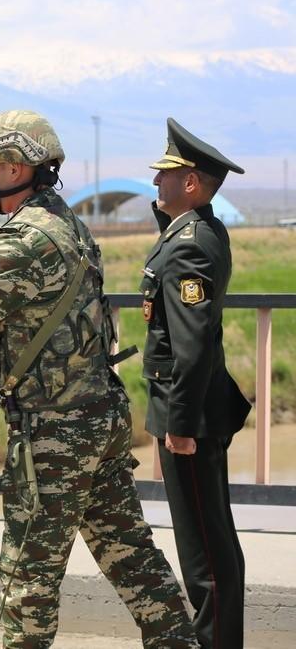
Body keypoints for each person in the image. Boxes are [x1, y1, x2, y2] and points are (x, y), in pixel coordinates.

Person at [0, 110, 198, 648]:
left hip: (53, 432)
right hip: (98, 416)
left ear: (15, 166)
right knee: (130, 554)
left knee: (29, 575)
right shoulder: (65, 221)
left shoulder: (21, 240)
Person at [142, 118, 251, 648]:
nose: (155, 183)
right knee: (212, 538)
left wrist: (180, 425)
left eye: (166, 176)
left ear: (190, 182)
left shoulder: (189, 244)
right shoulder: (195, 230)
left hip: (190, 415)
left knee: (204, 549)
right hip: (192, 409)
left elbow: (192, 344)